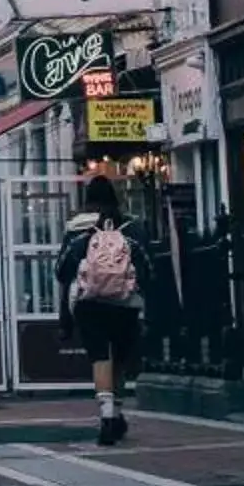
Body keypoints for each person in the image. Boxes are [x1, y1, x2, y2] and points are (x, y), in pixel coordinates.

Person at [58, 174, 150, 446]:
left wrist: (64, 316)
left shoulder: (77, 229)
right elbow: (148, 265)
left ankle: (106, 415)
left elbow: (61, 270)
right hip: (125, 302)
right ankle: (118, 412)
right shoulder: (132, 227)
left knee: (100, 356)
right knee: (120, 358)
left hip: (89, 302)